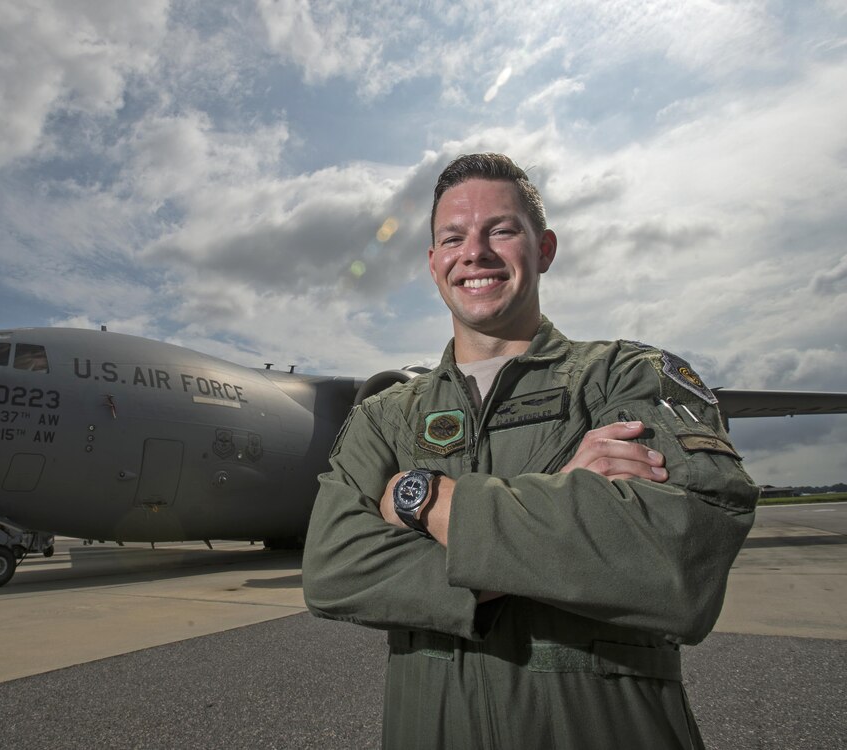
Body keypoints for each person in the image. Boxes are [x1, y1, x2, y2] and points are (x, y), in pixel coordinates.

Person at [302, 153, 759, 749]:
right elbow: (334, 571)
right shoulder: (386, 413)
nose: (476, 253)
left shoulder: (627, 378)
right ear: (434, 263)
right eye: (453, 237)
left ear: (543, 249)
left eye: (501, 230)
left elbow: (678, 560)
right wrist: (565, 502)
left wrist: (429, 501)